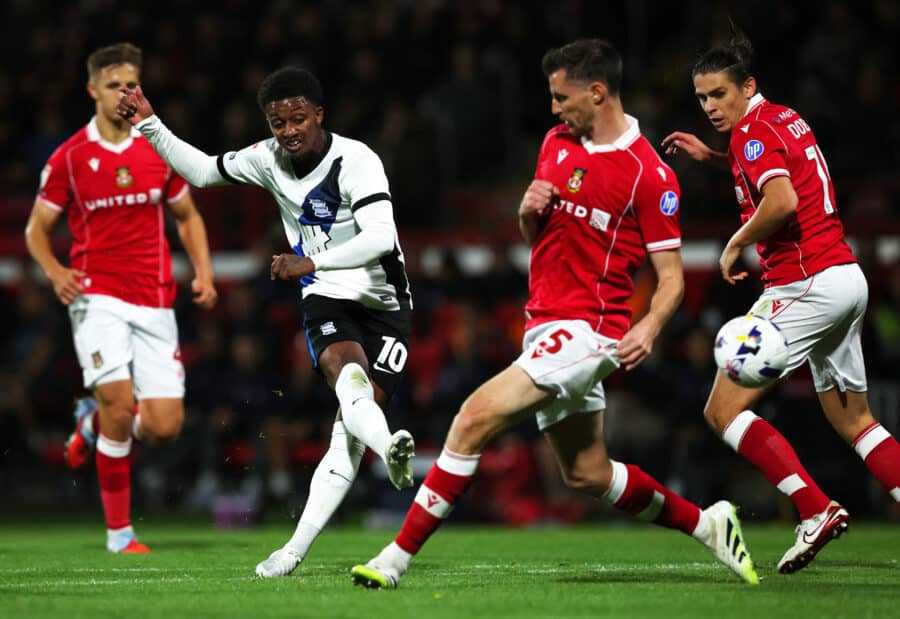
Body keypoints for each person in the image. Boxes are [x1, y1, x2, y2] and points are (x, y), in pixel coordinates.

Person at [349, 39, 759, 590]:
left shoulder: (649, 174)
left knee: (472, 418)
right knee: (587, 473)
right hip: (545, 322)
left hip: (591, 331)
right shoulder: (556, 142)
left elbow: (672, 281)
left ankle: (393, 559)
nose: (552, 108)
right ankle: (708, 524)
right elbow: (537, 237)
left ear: (597, 92)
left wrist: (650, 326)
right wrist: (526, 214)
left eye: (560, 96)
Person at [116, 66, 417, 577]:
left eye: (298, 119)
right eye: (279, 123)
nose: (289, 131)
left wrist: (311, 260)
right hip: (326, 298)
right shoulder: (267, 158)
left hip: (385, 305)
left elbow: (381, 239)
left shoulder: (357, 161)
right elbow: (205, 171)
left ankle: (324, 513)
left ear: (319, 115)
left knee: (347, 431)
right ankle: (384, 450)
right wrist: (150, 124)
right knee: (348, 381)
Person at [662, 37, 900, 573]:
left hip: (805, 282)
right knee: (857, 421)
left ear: (747, 86)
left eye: (719, 94)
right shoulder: (781, 119)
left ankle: (815, 509)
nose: (710, 107)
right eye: (701, 98)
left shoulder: (751, 131)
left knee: (720, 411)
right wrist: (713, 158)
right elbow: (771, 171)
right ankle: (821, 508)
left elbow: (783, 200)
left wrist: (732, 242)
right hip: (845, 278)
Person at [24, 42, 218, 553]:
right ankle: (120, 533)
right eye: (113, 85)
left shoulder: (157, 146)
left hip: (153, 298)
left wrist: (204, 272)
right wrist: (53, 270)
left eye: (131, 85)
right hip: (96, 297)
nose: (124, 94)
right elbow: (36, 230)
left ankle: (90, 423)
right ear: (92, 90)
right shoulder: (70, 157)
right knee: (119, 402)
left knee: (164, 427)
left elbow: (188, 216)